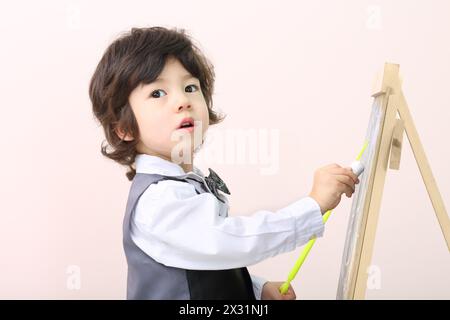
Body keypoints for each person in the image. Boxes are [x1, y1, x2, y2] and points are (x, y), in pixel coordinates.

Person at [89, 26, 359, 300]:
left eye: (190, 87)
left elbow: (202, 262)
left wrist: (255, 288)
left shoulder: (185, 183)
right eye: (157, 93)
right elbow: (227, 241)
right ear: (123, 127)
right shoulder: (158, 201)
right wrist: (312, 206)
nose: (183, 100)